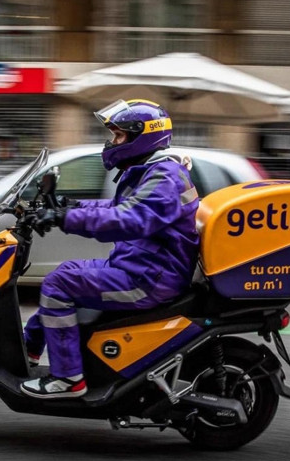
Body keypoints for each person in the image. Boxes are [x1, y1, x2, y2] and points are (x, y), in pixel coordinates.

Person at [20, 99, 200, 399]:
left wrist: (64, 218)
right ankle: (29, 351)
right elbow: (117, 207)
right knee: (64, 272)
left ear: (142, 136)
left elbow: (127, 219)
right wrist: (68, 205)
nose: (112, 142)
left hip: (150, 279)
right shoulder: (151, 171)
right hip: (140, 266)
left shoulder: (164, 178)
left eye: (119, 136)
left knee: (58, 284)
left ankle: (68, 379)